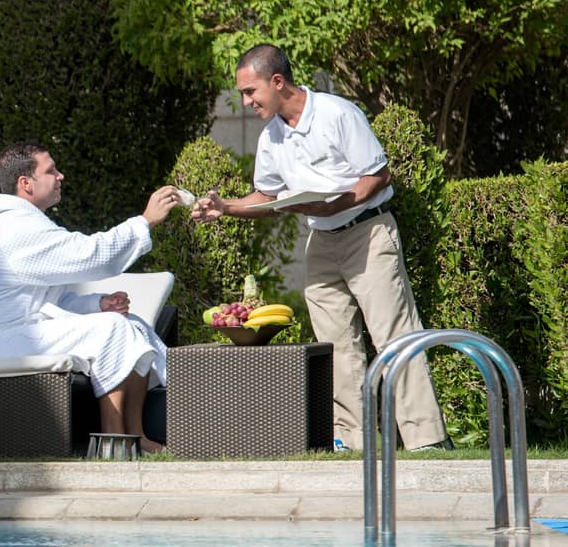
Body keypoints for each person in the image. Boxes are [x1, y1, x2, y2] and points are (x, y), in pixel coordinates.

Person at [191, 44, 448, 451]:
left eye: (250, 91)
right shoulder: (271, 137)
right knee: (336, 345)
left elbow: (377, 176)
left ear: (277, 82)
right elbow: (267, 195)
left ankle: (426, 439)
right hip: (321, 241)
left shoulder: (336, 114)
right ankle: (356, 441)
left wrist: (333, 204)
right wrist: (227, 208)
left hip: (367, 232)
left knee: (394, 335)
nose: (246, 101)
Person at [0, 142, 181, 452]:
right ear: (25, 183)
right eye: (51, 170)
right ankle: (113, 440)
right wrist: (144, 221)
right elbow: (91, 255)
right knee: (111, 329)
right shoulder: (16, 229)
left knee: (130, 324)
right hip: (2, 340)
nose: (60, 176)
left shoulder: (26, 223)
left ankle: (138, 436)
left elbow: (50, 301)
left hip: (25, 331)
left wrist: (98, 304)